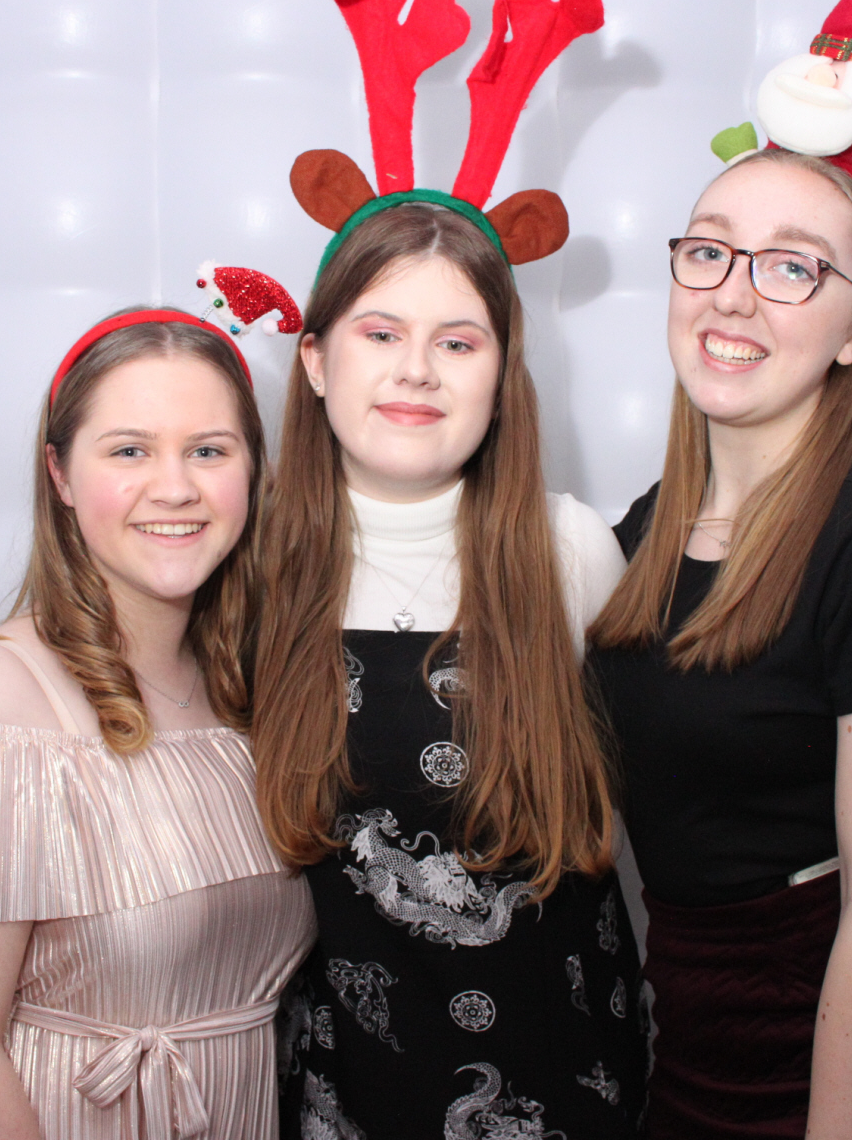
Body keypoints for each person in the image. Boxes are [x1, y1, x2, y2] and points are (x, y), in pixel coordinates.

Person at [587, 147, 852, 1138]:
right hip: (696, 1042)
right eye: (710, 252)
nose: (734, 296)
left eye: (792, 266)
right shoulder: (641, 535)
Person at [0, 311, 314, 1140]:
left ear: (254, 470)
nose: (175, 487)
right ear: (60, 474)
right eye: (129, 451)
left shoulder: (250, 686)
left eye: (209, 450)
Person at [254, 201, 645, 1139]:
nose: (417, 369)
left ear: (503, 379)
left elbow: (679, 786)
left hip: (564, 1082)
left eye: (459, 343)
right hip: (336, 1093)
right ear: (316, 361)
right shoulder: (249, 559)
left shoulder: (569, 550)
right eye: (380, 333)